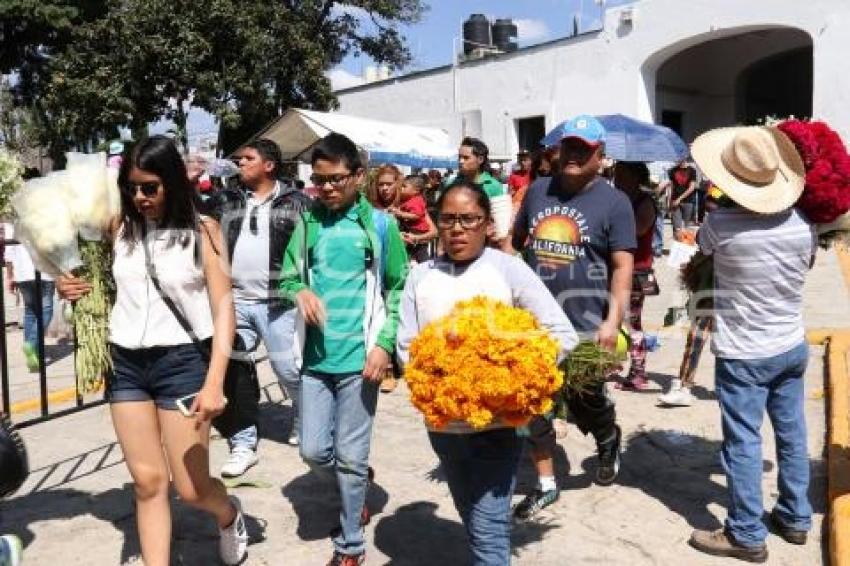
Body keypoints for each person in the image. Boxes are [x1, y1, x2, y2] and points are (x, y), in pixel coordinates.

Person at [56, 136, 248, 565]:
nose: (139, 197)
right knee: (146, 482)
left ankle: (229, 512)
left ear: (173, 184)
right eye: (131, 187)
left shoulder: (204, 231)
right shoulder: (116, 228)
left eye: (150, 187)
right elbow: (85, 276)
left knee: (192, 488)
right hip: (125, 363)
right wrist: (64, 283)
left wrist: (215, 381)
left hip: (182, 364)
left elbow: (223, 308)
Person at [396, 180, 578, 565]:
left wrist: (513, 381)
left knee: (489, 529)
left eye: (468, 219)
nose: (457, 228)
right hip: (444, 427)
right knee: (471, 513)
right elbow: (407, 345)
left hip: (499, 426)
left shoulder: (509, 270)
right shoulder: (420, 276)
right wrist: (439, 381)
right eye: (447, 219)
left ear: (487, 225)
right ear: (436, 222)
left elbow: (562, 334)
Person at [686, 126, 815, 562]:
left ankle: (745, 532)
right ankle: (795, 518)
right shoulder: (804, 223)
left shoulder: (720, 225)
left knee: (742, 441)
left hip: (745, 352)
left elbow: (697, 259)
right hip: (791, 344)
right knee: (792, 432)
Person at [279, 132, 408, 566]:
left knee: (351, 454)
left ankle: (351, 544)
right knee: (313, 451)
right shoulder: (309, 223)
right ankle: (355, 481)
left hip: (361, 362)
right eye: (320, 180)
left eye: (336, 179)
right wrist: (299, 291)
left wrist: (384, 346)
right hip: (315, 361)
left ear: (357, 175)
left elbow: (398, 289)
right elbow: (286, 277)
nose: (328, 188)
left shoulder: (380, 226)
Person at [511, 115, 635, 518]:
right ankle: (546, 481)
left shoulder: (615, 203)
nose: (574, 155)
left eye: (584, 149)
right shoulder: (537, 192)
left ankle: (607, 436)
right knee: (533, 401)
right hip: (533, 324)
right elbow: (514, 248)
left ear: (601, 155)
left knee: (586, 400)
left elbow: (621, 266)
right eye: (569, 147)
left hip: (586, 322)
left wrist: (612, 321)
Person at [207, 138, 311, 477]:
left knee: (289, 372)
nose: (240, 163)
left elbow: (313, 250)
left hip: (279, 304)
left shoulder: (297, 203)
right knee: (234, 370)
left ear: (269, 165)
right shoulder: (226, 199)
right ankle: (243, 441)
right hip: (235, 301)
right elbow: (196, 221)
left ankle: (305, 415)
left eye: (248, 158)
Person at [612, 161, 657, 390]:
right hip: (615, 268)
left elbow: (638, 229)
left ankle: (639, 372)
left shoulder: (644, 202)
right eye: (615, 173)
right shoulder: (619, 199)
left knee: (632, 322)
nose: (616, 178)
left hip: (637, 270)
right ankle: (613, 364)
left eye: (621, 174)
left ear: (634, 176)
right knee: (612, 318)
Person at [4, 239, 54, 372]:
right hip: (43, 272)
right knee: (46, 310)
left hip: (22, 274)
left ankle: (33, 355)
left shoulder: (15, 222)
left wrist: (10, 276)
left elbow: (9, 253)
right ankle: (31, 344)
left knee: (30, 312)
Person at [389, 175, 437, 264]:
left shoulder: (416, 201)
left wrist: (401, 214)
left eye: (404, 186)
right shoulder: (407, 200)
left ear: (416, 191)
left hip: (418, 232)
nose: (401, 188)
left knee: (421, 254)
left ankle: (425, 266)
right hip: (411, 233)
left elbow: (417, 215)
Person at [663, 159, 698, 239]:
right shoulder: (672, 171)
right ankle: (677, 245)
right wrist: (669, 202)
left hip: (688, 201)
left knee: (687, 227)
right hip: (675, 202)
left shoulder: (692, 170)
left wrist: (679, 199)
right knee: (676, 227)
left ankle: (685, 247)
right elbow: (671, 187)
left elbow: (692, 188)